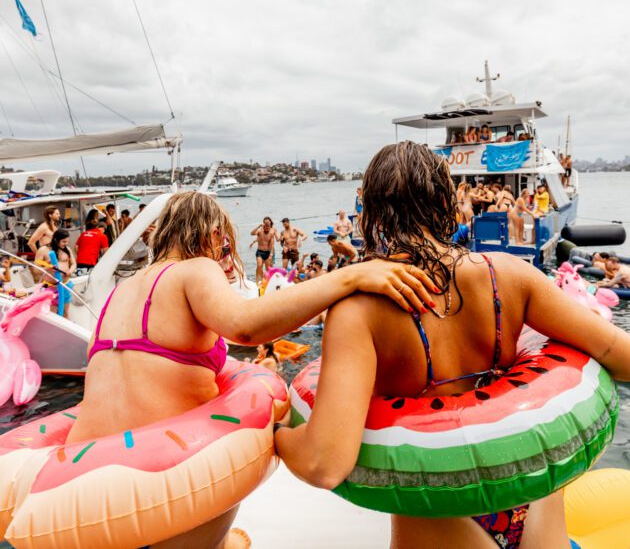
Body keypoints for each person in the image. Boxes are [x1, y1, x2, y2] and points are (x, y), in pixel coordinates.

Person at [274, 141, 630, 549]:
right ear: (447, 203)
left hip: (439, 516)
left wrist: (275, 434)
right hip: (529, 500)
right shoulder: (509, 274)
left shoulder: (358, 311)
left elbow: (324, 463)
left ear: (372, 213)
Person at [64, 191, 436, 548]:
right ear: (213, 235)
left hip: (80, 480)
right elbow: (244, 325)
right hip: (155, 479)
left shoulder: (121, 290)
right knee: (246, 437)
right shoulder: (194, 269)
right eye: (225, 248)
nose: (225, 259)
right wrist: (352, 276)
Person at [35, 228, 77, 318]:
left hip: (65, 285)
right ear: (55, 239)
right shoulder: (43, 250)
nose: (66, 244)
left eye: (67, 241)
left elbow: (74, 264)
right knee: (52, 316)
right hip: (50, 287)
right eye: (64, 241)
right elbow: (36, 270)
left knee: (65, 313)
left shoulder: (67, 249)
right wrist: (48, 268)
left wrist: (70, 271)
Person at [250, 217, 278, 284]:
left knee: (268, 269)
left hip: (267, 253)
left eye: (268, 227)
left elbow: (271, 245)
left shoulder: (271, 234)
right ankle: (259, 280)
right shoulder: (260, 231)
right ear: (264, 226)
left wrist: (271, 254)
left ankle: (266, 281)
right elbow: (252, 233)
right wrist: (258, 226)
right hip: (260, 252)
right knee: (259, 265)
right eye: (266, 227)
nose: (267, 228)